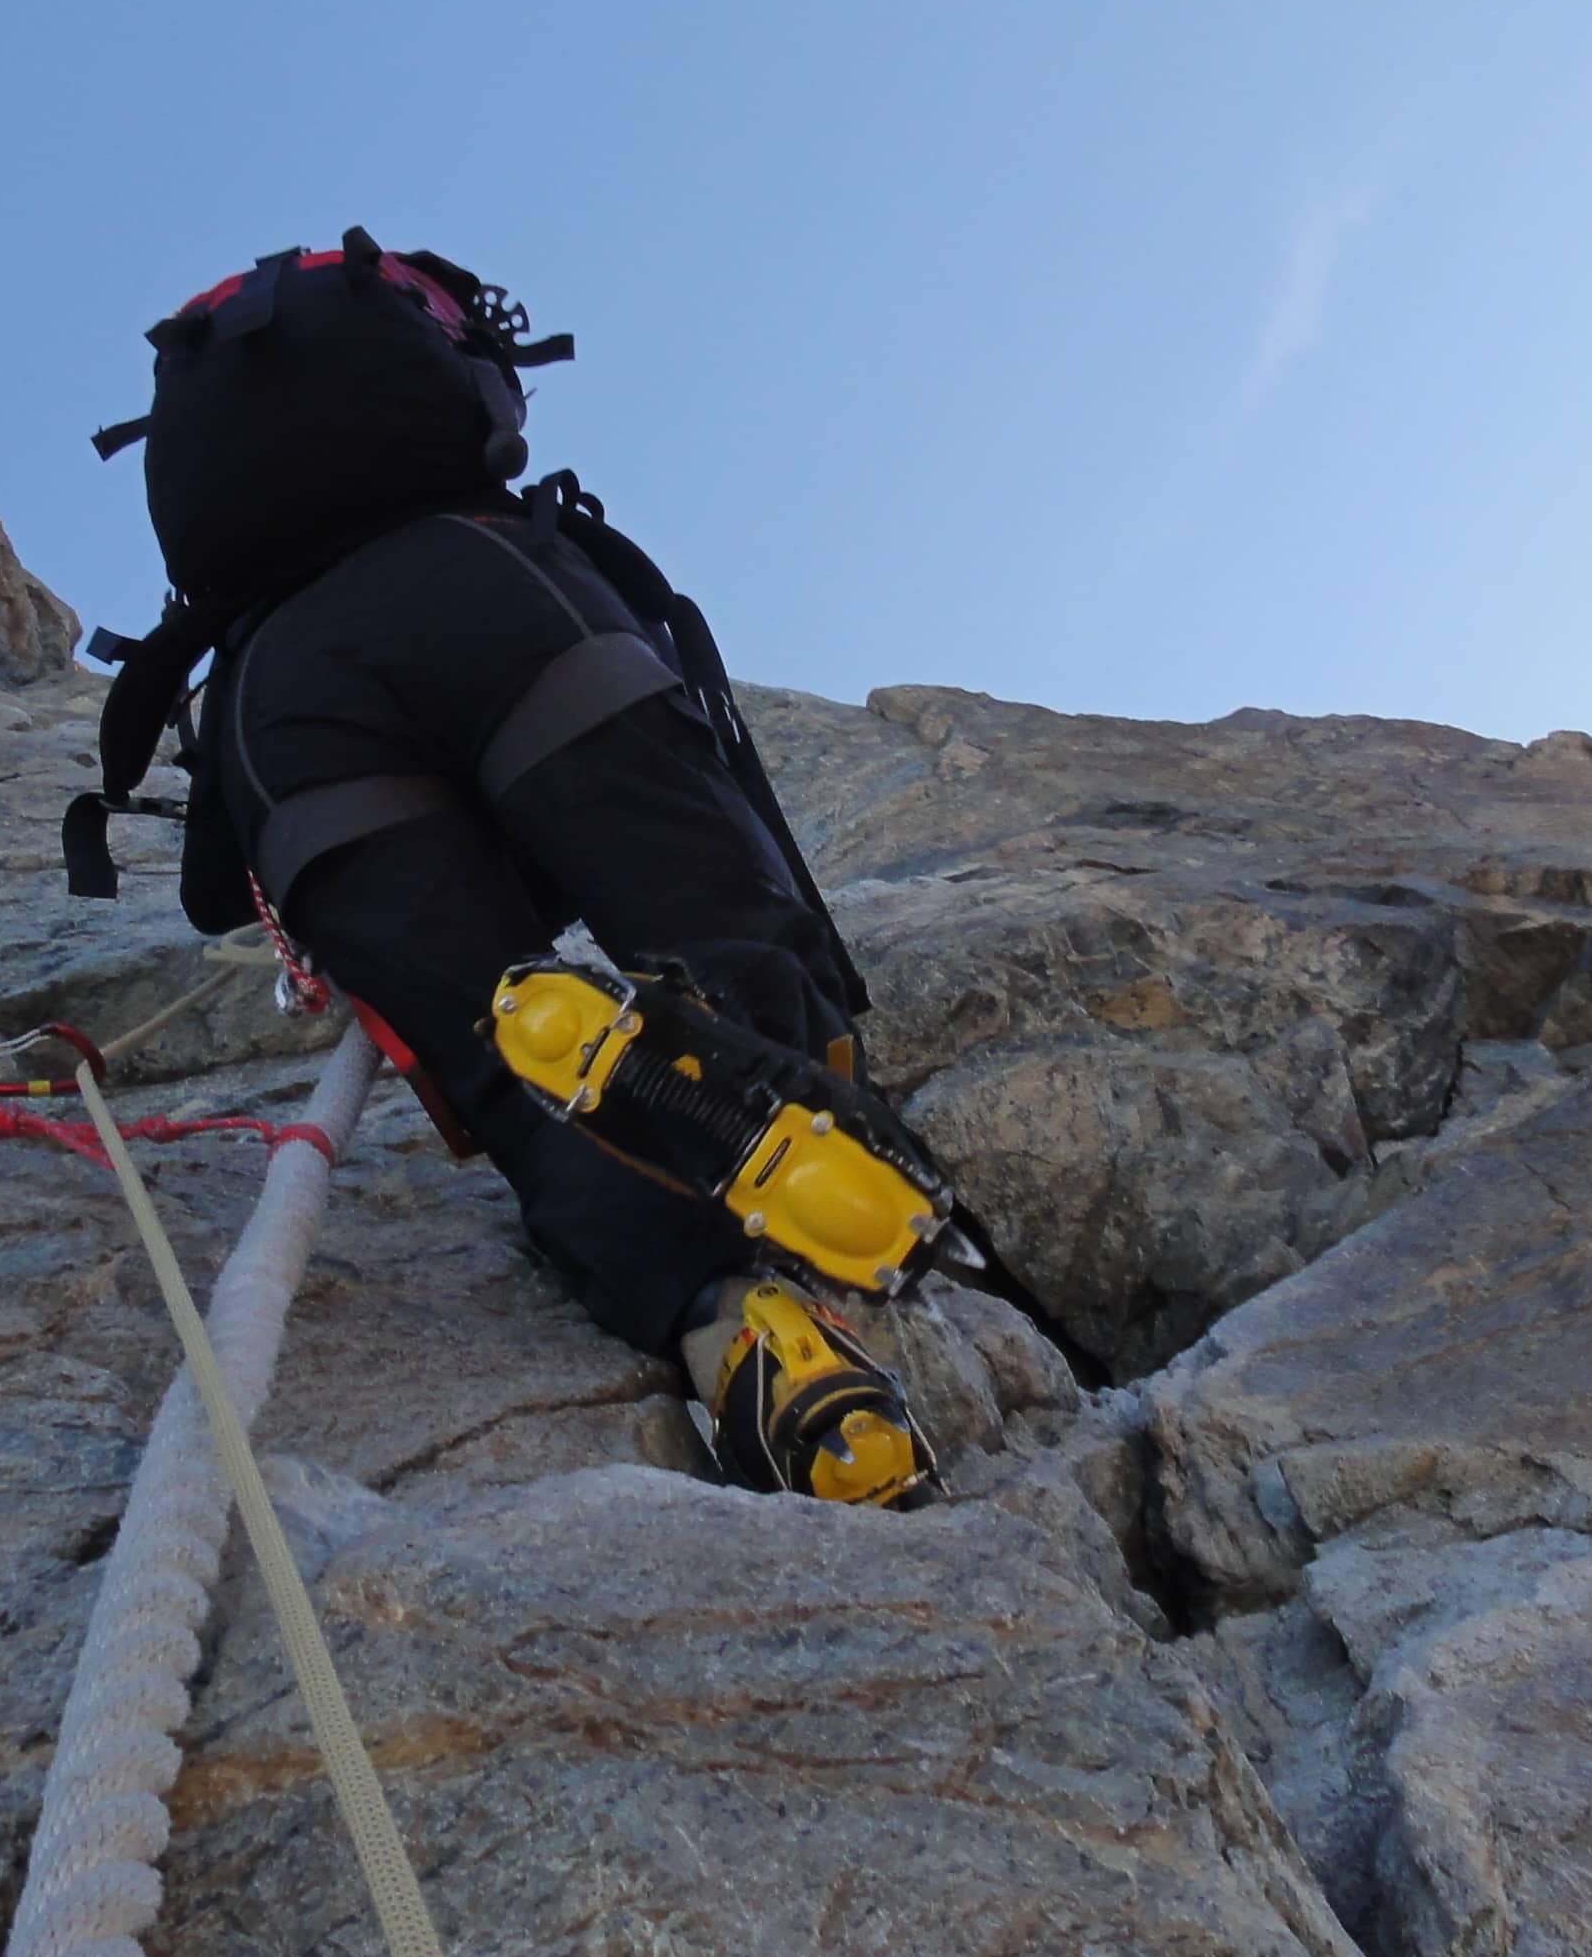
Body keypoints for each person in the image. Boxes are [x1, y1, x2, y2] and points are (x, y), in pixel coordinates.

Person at [72, 233, 947, 1506]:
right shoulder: (459, 503)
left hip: (278, 717)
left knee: (497, 1045)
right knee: (707, 912)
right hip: (486, 591)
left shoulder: (249, 601)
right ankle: (789, 1093)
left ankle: (739, 1329)